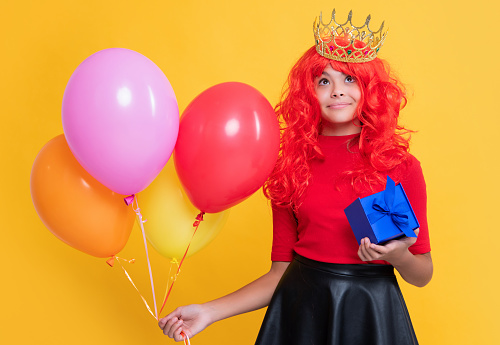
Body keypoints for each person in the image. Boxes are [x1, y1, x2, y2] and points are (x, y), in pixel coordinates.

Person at [159, 10, 432, 344]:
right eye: (324, 81)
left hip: (371, 313)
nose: (337, 91)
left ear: (370, 89)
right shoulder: (290, 165)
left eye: (350, 79)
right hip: (302, 312)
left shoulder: (400, 166)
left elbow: (422, 273)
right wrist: (209, 312)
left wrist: (398, 256)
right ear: (308, 92)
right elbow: (280, 273)